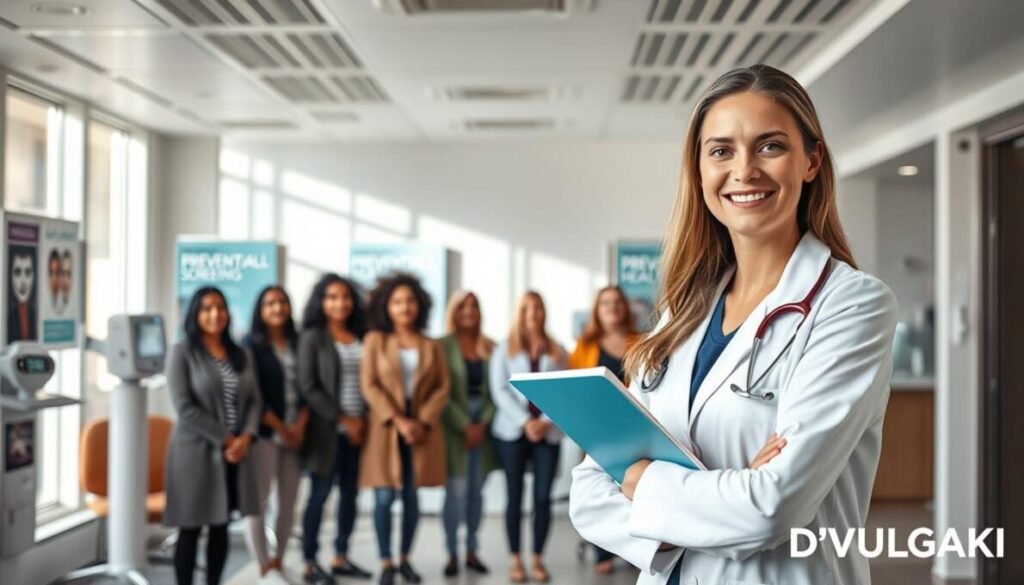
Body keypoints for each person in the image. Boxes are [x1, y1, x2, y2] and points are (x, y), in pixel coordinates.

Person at [569, 64, 898, 585]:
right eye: (721, 150)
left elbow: (772, 508)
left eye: (770, 146)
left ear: (811, 160)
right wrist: (732, 488)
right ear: (699, 170)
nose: (744, 170)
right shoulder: (684, 312)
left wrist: (642, 481)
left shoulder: (852, 305)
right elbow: (587, 494)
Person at [165, 287, 261, 585]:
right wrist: (227, 440)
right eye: (207, 309)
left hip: (235, 454)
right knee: (191, 528)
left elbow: (255, 400)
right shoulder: (182, 352)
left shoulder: (240, 353)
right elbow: (184, 407)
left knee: (221, 524)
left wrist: (246, 437)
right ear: (195, 314)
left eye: (220, 307)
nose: (215, 314)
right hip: (195, 453)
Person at [360, 273, 450, 585]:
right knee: (384, 497)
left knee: (411, 498)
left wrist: (421, 421)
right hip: (386, 429)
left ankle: (405, 560)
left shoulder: (431, 344)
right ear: (387, 306)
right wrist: (398, 420)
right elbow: (369, 384)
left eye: (410, 300)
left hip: (422, 430)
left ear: (419, 305)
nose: (404, 307)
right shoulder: (375, 341)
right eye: (397, 301)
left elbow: (443, 386)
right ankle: (385, 561)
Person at [297, 274, 373, 584]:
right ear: (321, 301)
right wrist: (344, 419)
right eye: (332, 297)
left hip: (359, 433)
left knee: (350, 497)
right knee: (319, 496)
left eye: (345, 296)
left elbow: (371, 383)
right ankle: (310, 562)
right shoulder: (312, 337)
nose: (339, 303)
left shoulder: (362, 335)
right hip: (326, 433)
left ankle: (340, 556)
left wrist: (363, 421)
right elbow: (309, 387)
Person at [489, 291, 566, 584]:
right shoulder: (504, 349)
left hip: (547, 433)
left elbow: (563, 390)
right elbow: (499, 390)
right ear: (519, 313)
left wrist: (543, 423)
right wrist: (525, 422)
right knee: (515, 496)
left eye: (538, 308)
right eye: (527, 308)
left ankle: (536, 558)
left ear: (544, 312)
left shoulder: (558, 350)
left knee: (543, 497)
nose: (532, 313)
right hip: (512, 432)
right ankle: (515, 559)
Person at [566, 285, 639, 575]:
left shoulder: (641, 341)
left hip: (634, 427)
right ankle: (601, 552)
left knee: (633, 486)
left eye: (617, 302)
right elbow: (575, 387)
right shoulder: (585, 346)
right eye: (605, 303)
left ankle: (635, 548)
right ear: (597, 310)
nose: (612, 307)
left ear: (625, 308)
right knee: (600, 488)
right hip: (596, 428)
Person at [242, 285, 308, 585]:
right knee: (260, 500)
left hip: (297, 433)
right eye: (271, 303)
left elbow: (308, 386)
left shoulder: (298, 342)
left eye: (283, 302)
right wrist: (282, 427)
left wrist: (300, 425)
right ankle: (263, 565)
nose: (278, 308)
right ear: (260, 309)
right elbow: (253, 393)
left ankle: (279, 559)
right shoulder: (250, 345)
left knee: (289, 501)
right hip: (267, 432)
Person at [438, 291, 499, 577]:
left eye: (474, 305)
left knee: (476, 492)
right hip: (454, 428)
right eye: (463, 305)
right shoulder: (441, 346)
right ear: (454, 310)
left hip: (483, 427)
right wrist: (464, 424)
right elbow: (440, 391)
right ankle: (451, 551)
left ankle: (472, 549)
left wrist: (482, 422)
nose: (469, 310)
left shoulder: (490, 346)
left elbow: (498, 389)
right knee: (456, 492)